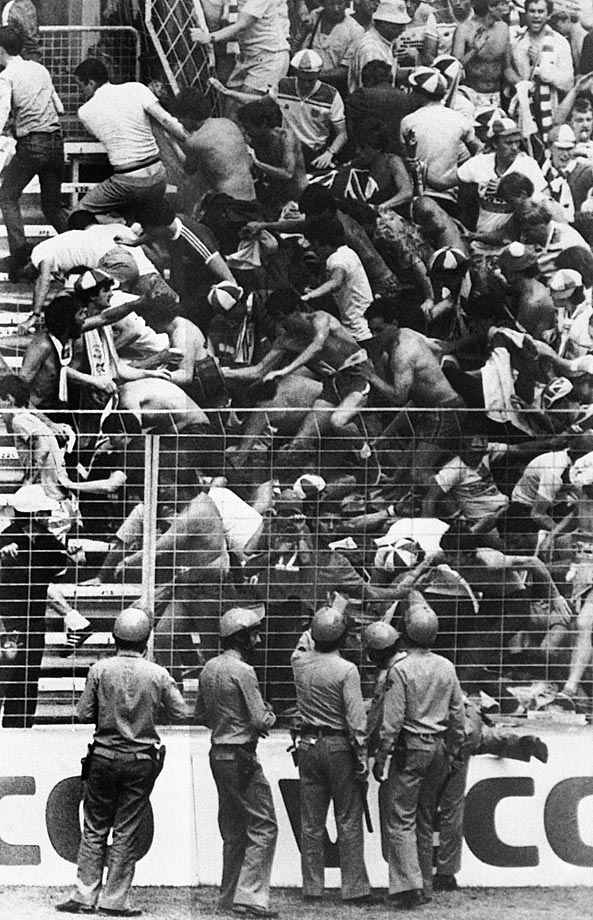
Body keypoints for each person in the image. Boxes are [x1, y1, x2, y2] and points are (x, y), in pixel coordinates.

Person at [56, 607, 189, 916]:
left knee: (94, 826)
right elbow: (182, 712)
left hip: (103, 755)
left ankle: (84, 895)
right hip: (141, 758)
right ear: (147, 639)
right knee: (127, 829)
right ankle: (115, 900)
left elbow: (83, 713)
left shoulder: (100, 670)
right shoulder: (158, 674)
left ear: (115, 638)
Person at [371, 592, 465, 909]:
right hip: (439, 746)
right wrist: (452, 751)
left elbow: (392, 722)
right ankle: (424, 882)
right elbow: (458, 716)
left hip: (411, 747)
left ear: (405, 632)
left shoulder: (400, 669)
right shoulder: (446, 667)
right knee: (426, 818)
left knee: (401, 819)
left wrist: (382, 757)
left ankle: (406, 887)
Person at [194, 607, 279, 918]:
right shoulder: (244, 671)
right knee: (264, 825)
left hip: (218, 752)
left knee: (232, 829)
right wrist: (270, 713)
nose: (258, 638)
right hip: (242, 754)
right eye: (254, 633)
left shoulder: (208, 669)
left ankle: (229, 896)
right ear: (243, 637)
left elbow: (201, 715)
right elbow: (261, 719)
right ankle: (251, 897)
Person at [291, 606, 372, 903]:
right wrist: (362, 754)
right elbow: (356, 719)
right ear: (342, 637)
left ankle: (312, 886)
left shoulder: (299, 662)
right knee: (348, 818)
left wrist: (326, 613)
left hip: (308, 744)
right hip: (339, 746)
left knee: (311, 821)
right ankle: (354, 888)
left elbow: (304, 641)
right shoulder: (346, 670)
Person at [434, 694, 549, 892]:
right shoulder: (445, 671)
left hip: (441, 731)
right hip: (466, 719)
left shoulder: (399, 671)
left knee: (426, 809)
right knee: (452, 807)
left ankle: (421, 873)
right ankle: (517, 742)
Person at [73, 58, 188, 220]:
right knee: (142, 219)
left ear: (91, 83)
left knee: (78, 215)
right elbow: (166, 120)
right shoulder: (137, 88)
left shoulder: (85, 112)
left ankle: (115, 229)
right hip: (158, 175)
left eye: (80, 86)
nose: (81, 92)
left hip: (127, 180)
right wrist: (188, 140)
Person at [0, 26, 67, 280]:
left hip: (32, 143)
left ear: (1, 50)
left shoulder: (7, 76)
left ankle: (20, 258)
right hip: (56, 141)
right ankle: (81, 248)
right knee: (52, 206)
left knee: (7, 196)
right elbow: (59, 107)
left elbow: (1, 114)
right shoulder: (40, 69)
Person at [0, 484, 70, 727]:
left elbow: (61, 569)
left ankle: (19, 727)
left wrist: (73, 553)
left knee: (27, 680)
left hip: (33, 621)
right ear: (31, 515)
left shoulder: (47, 541)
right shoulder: (6, 539)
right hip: (7, 622)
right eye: (43, 513)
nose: (48, 517)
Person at [400, 66, 481, 213]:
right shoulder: (460, 120)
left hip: (418, 195)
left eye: (413, 90)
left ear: (421, 94)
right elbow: (480, 150)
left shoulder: (408, 121)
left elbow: (404, 157)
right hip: (451, 194)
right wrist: (461, 176)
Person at [457, 117, 548, 236]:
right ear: (495, 143)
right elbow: (455, 179)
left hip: (515, 237)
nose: (515, 148)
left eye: (517, 142)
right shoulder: (480, 163)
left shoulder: (528, 165)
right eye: (509, 143)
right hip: (481, 234)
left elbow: (544, 202)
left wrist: (508, 188)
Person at [191, 0, 290, 96]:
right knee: (230, 107)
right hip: (248, 56)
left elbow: (242, 24)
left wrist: (208, 37)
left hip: (270, 58)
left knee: (245, 107)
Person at [510, 0, 573, 144]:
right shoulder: (517, 42)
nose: (536, 16)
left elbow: (568, 83)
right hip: (524, 111)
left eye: (540, 11)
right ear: (525, 14)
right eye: (532, 11)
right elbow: (512, 78)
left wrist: (541, 66)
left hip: (552, 108)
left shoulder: (560, 42)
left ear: (548, 15)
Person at [452, 0, 513, 108]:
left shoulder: (503, 28)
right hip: (469, 96)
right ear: (491, 7)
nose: (508, 6)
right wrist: (474, 50)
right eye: (503, 4)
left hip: (495, 97)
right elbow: (454, 69)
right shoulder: (464, 29)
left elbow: (507, 68)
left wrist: (524, 85)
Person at [297, 0, 364, 90]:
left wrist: (313, 75)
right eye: (331, 4)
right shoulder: (315, 16)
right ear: (323, 4)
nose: (336, 9)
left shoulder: (355, 30)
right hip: (305, 83)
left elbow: (345, 70)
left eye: (340, 3)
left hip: (333, 87)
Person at [348, 0, 411, 92]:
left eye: (403, 25)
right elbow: (373, 92)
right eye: (397, 26)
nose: (403, 30)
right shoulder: (371, 50)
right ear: (383, 23)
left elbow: (391, 75)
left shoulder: (385, 42)